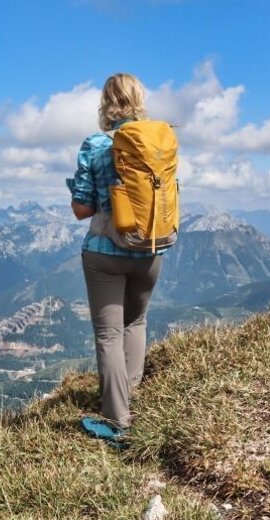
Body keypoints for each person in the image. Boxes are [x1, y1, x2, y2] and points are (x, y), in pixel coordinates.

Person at [66, 73, 167, 445]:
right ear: (139, 99)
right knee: (136, 321)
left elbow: (82, 209)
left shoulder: (95, 144)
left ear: (105, 103)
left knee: (108, 333)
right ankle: (129, 393)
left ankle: (118, 420)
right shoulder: (158, 142)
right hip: (150, 249)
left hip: (105, 253)